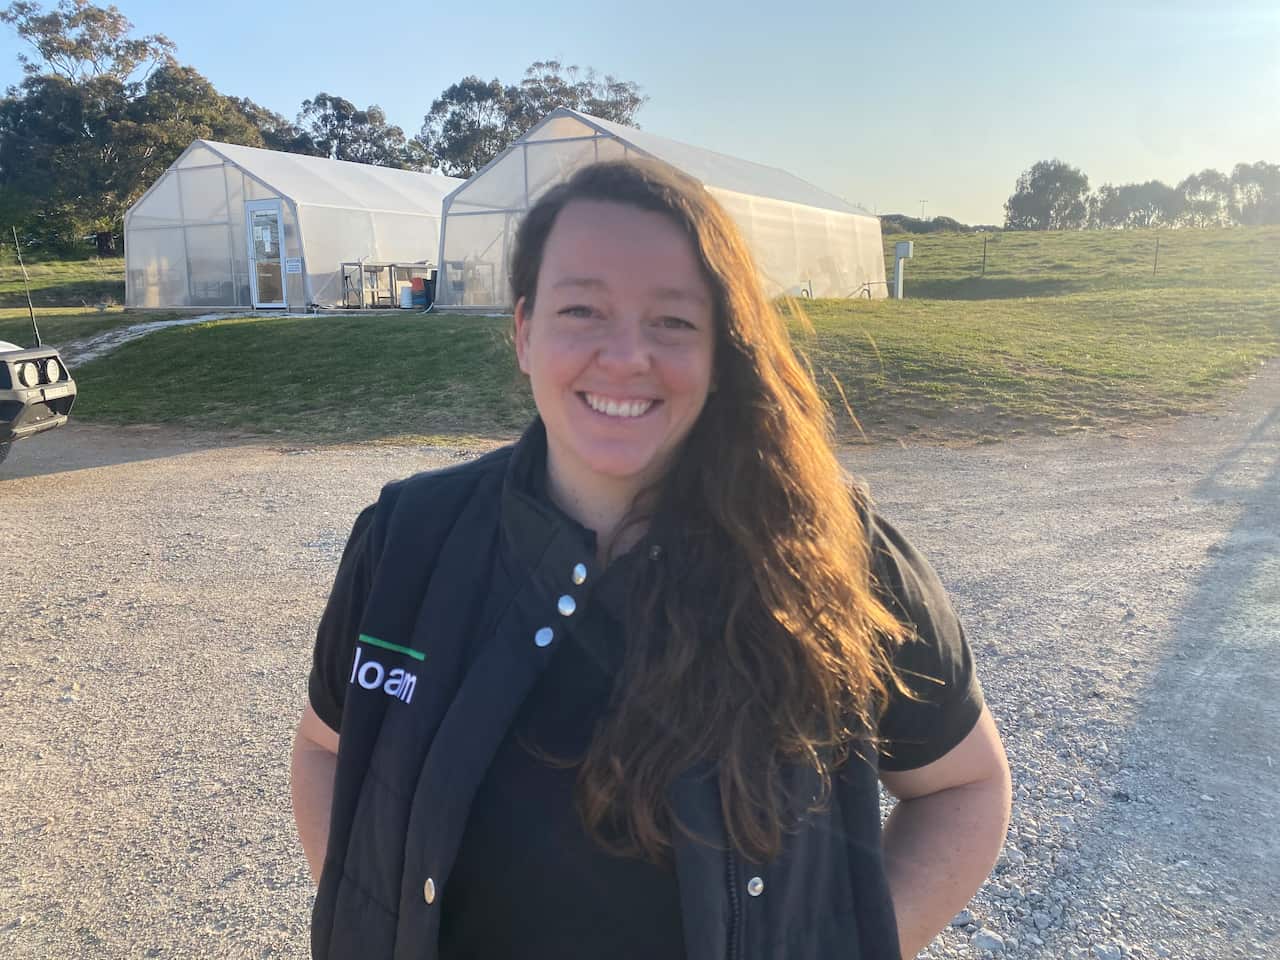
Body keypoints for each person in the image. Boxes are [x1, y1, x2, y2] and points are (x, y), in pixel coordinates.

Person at [290, 159, 1011, 960]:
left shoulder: (831, 554)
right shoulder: (407, 537)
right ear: (524, 332)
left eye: (672, 321)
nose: (627, 355)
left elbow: (965, 787)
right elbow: (326, 751)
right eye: (582, 309)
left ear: (720, 350)